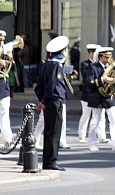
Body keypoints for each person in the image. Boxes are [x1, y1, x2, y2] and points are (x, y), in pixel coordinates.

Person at [34, 35, 71, 171]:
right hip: (54, 101)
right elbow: (52, 85)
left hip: (49, 101)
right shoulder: (56, 65)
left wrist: (41, 99)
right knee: (54, 133)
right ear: (62, 51)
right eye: (66, 50)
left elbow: (38, 86)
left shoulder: (46, 63)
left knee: (49, 132)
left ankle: (47, 161)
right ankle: (51, 162)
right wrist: (44, 100)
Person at [85, 47, 115, 153]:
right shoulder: (93, 68)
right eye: (106, 57)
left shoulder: (112, 69)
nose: (108, 59)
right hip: (97, 97)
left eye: (109, 57)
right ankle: (92, 143)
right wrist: (103, 79)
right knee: (95, 121)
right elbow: (89, 83)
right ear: (100, 57)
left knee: (114, 120)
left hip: (109, 97)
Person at [77, 44, 103, 143]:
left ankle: (101, 136)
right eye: (94, 53)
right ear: (90, 53)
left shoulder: (99, 65)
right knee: (86, 115)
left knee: (99, 116)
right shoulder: (85, 64)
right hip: (87, 93)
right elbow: (85, 76)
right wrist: (94, 66)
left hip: (97, 93)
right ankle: (82, 135)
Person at [0, 31, 12, 145]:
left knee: (4, 112)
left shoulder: (6, 52)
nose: (0, 43)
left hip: (3, 86)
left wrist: (10, 59)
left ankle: (7, 138)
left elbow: (13, 68)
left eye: (2, 41)